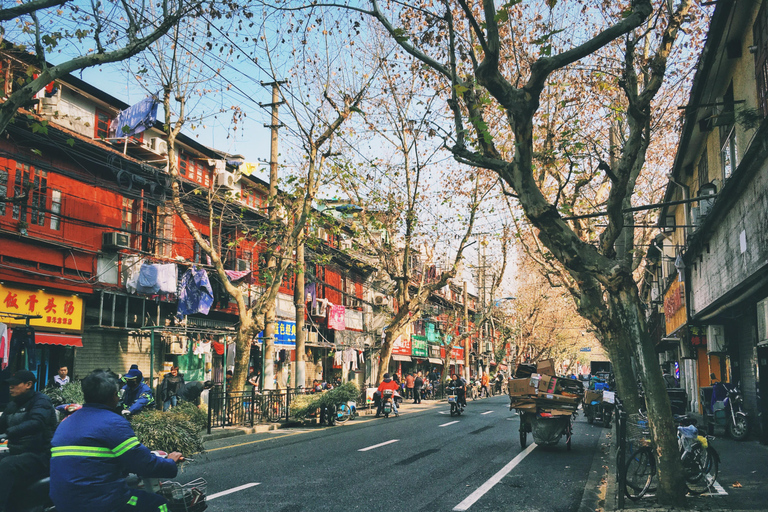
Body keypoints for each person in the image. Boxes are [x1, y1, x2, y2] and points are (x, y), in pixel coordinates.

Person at [50, 369, 181, 512]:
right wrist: (170, 462)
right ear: (114, 396)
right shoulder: (113, 423)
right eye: (117, 394)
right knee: (159, 504)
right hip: (100, 501)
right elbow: (142, 463)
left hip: (63, 501)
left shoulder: (66, 422)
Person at [0, 370, 57, 512]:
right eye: (9, 385)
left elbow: (37, 422)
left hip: (40, 454)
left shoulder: (41, 400)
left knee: (7, 465)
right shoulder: (12, 405)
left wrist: (8, 433)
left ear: (28, 384)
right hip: (18, 452)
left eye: (15, 384)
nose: (10, 387)